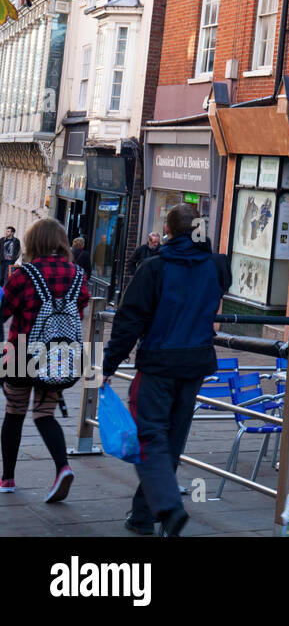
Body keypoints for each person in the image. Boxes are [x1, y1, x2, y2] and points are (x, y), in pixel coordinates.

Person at [103, 204, 231, 536]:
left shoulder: (153, 269)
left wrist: (107, 365)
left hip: (159, 364)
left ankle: (169, 508)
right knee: (172, 439)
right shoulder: (217, 266)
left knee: (150, 436)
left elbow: (128, 323)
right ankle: (144, 515)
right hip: (195, 365)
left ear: (168, 231)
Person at [0, 219, 89, 500]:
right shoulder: (78, 275)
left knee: (14, 413)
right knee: (44, 414)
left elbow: (4, 312)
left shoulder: (23, 274)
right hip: (59, 355)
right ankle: (62, 467)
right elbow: (81, 307)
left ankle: (8, 479)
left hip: (20, 353)